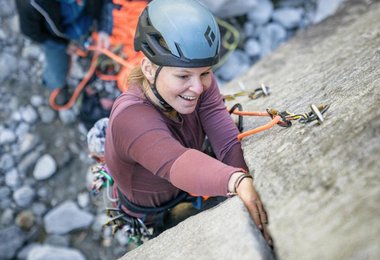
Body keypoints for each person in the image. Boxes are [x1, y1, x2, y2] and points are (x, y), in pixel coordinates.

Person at [104, 0, 272, 245]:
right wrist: (236, 181)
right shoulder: (131, 119)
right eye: (183, 76)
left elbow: (222, 133)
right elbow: (176, 163)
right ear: (149, 69)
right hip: (154, 210)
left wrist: (244, 181)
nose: (197, 87)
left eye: (205, 73)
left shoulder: (198, 81)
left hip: (181, 175)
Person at [15, 0, 113, 106]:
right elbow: (31, 32)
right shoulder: (28, 2)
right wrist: (64, 44)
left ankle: (85, 35)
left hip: (86, 17)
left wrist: (103, 27)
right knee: (56, 80)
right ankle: (58, 84)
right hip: (56, 36)